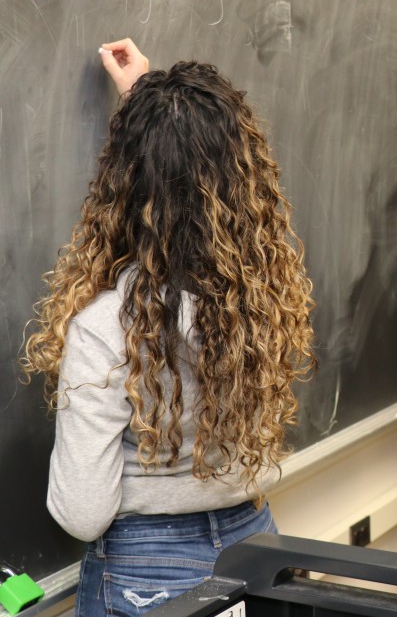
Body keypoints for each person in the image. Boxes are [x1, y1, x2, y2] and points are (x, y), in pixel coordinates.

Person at [20, 39, 316, 617]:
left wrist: (146, 131)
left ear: (124, 186)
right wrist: (152, 107)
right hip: (253, 544)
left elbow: (82, 513)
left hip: (148, 570)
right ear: (242, 180)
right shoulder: (256, 297)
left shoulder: (107, 327)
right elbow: (192, 181)